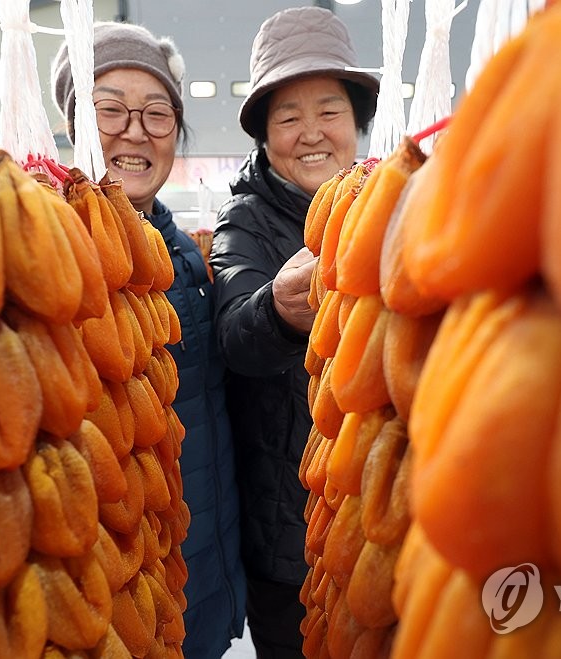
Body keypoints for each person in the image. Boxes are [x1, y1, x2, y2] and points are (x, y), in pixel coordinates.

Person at [53, 23, 245, 659]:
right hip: (113, 581)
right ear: (75, 122)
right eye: (110, 109)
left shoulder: (190, 259)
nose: (134, 132)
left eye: (157, 114)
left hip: (200, 563)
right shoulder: (49, 263)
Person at [209, 7, 378, 658]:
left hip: (378, 506)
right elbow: (235, 334)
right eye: (288, 116)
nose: (311, 133)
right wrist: (277, 309)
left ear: (355, 121)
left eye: (328, 110)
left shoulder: (390, 206)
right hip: (290, 529)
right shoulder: (243, 222)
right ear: (264, 135)